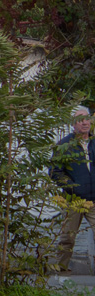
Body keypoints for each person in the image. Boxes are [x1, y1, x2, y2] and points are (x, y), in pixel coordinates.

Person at [51, 106, 94, 273]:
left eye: (87, 118)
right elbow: (55, 172)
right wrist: (72, 187)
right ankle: (60, 269)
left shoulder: (94, 142)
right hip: (73, 200)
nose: (85, 122)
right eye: (80, 120)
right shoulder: (64, 145)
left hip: (93, 199)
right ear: (73, 124)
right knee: (68, 237)